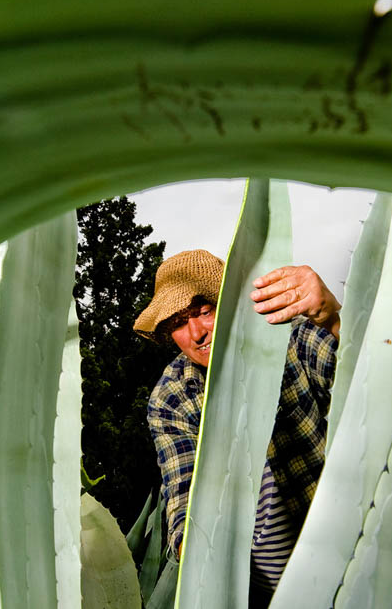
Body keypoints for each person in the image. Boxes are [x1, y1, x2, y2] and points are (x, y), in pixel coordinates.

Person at [133, 249, 341, 607]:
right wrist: (194, 549)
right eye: (179, 323)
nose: (197, 332)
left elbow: (371, 383)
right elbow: (183, 492)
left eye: (204, 311)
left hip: (344, 556)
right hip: (260, 593)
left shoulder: (291, 338)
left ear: (232, 304)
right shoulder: (171, 398)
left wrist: (333, 320)